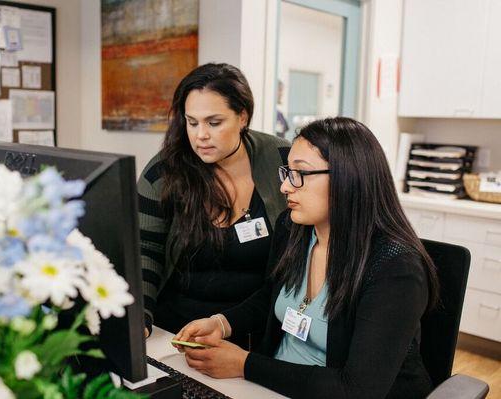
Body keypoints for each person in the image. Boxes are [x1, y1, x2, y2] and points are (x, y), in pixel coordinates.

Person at [174, 117, 440, 398]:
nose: (285, 187)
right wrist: (220, 323)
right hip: (268, 386)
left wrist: (245, 364)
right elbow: (273, 296)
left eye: (299, 173)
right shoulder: (293, 229)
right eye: (287, 172)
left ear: (347, 179)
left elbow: (358, 390)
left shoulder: (394, 268)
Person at [138, 63, 291, 342]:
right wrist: (141, 318)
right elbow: (144, 250)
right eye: (192, 122)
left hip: (256, 333)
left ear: (242, 117)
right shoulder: (163, 173)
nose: (200, 136)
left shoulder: (283, 160)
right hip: (174, 334)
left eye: (214, 122)